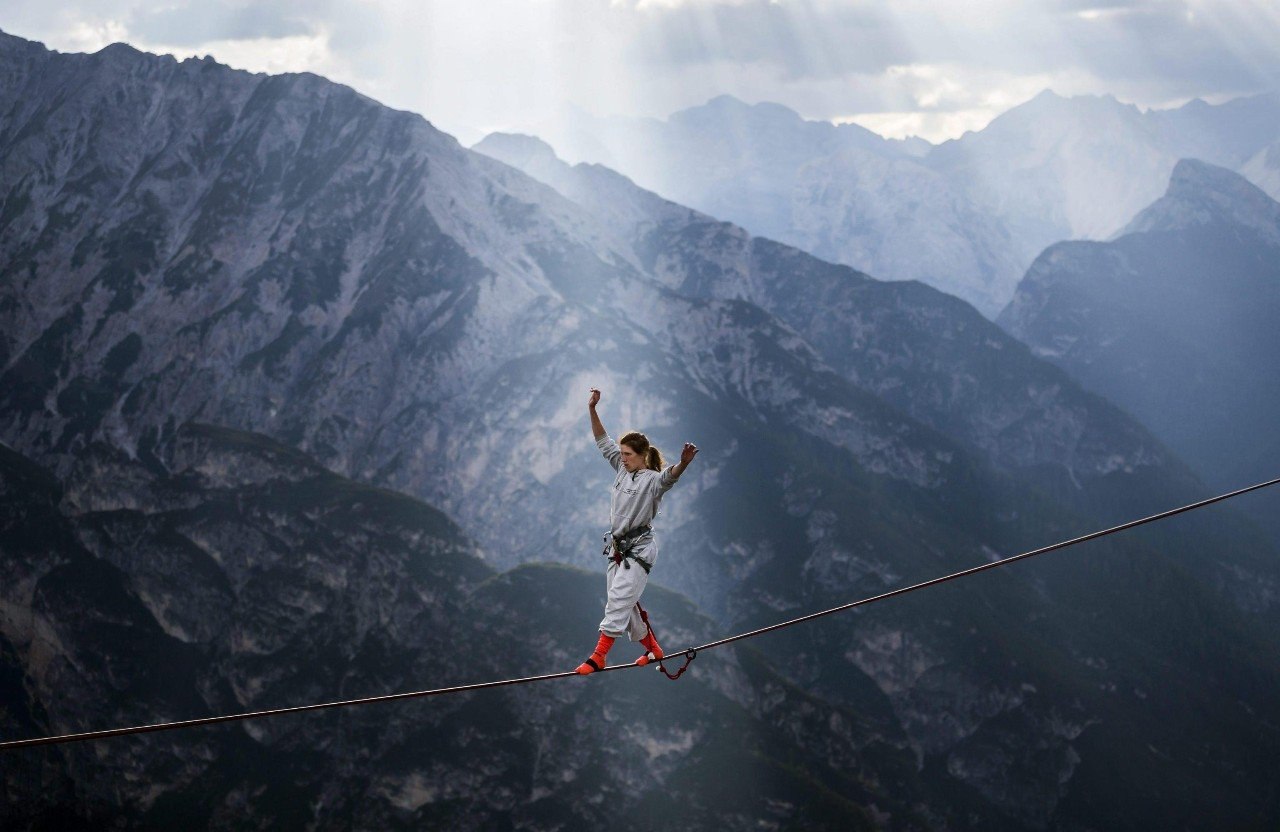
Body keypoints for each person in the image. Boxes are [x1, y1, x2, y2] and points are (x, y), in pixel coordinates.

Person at [576, 387, 699, 675]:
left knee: (619, 600)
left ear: (643, 455)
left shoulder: (653, 481)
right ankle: (654, 650)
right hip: (618, 550)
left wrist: (684, 463)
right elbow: (601, 440)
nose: (623, 457)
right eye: (622, 453)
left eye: (628, 454)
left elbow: (670, 477)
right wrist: (592, 409)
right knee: (626, 607)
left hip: (640, 550)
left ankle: (599, 656)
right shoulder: (621, 467)